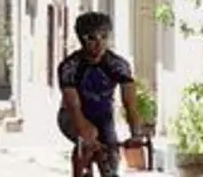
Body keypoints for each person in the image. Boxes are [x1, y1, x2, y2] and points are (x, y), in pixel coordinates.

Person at [57, 10, 144, 177]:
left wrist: (136, 134)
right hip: (72, 114)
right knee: (88, 139)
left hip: (103, 116)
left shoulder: (118, 65)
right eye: (91, 38)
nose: (99, 44)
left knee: (110, 159)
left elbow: (131, 105)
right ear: (81, 39)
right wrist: (87, 138)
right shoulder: (70, 66)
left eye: (104, 37)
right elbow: (74, 107)